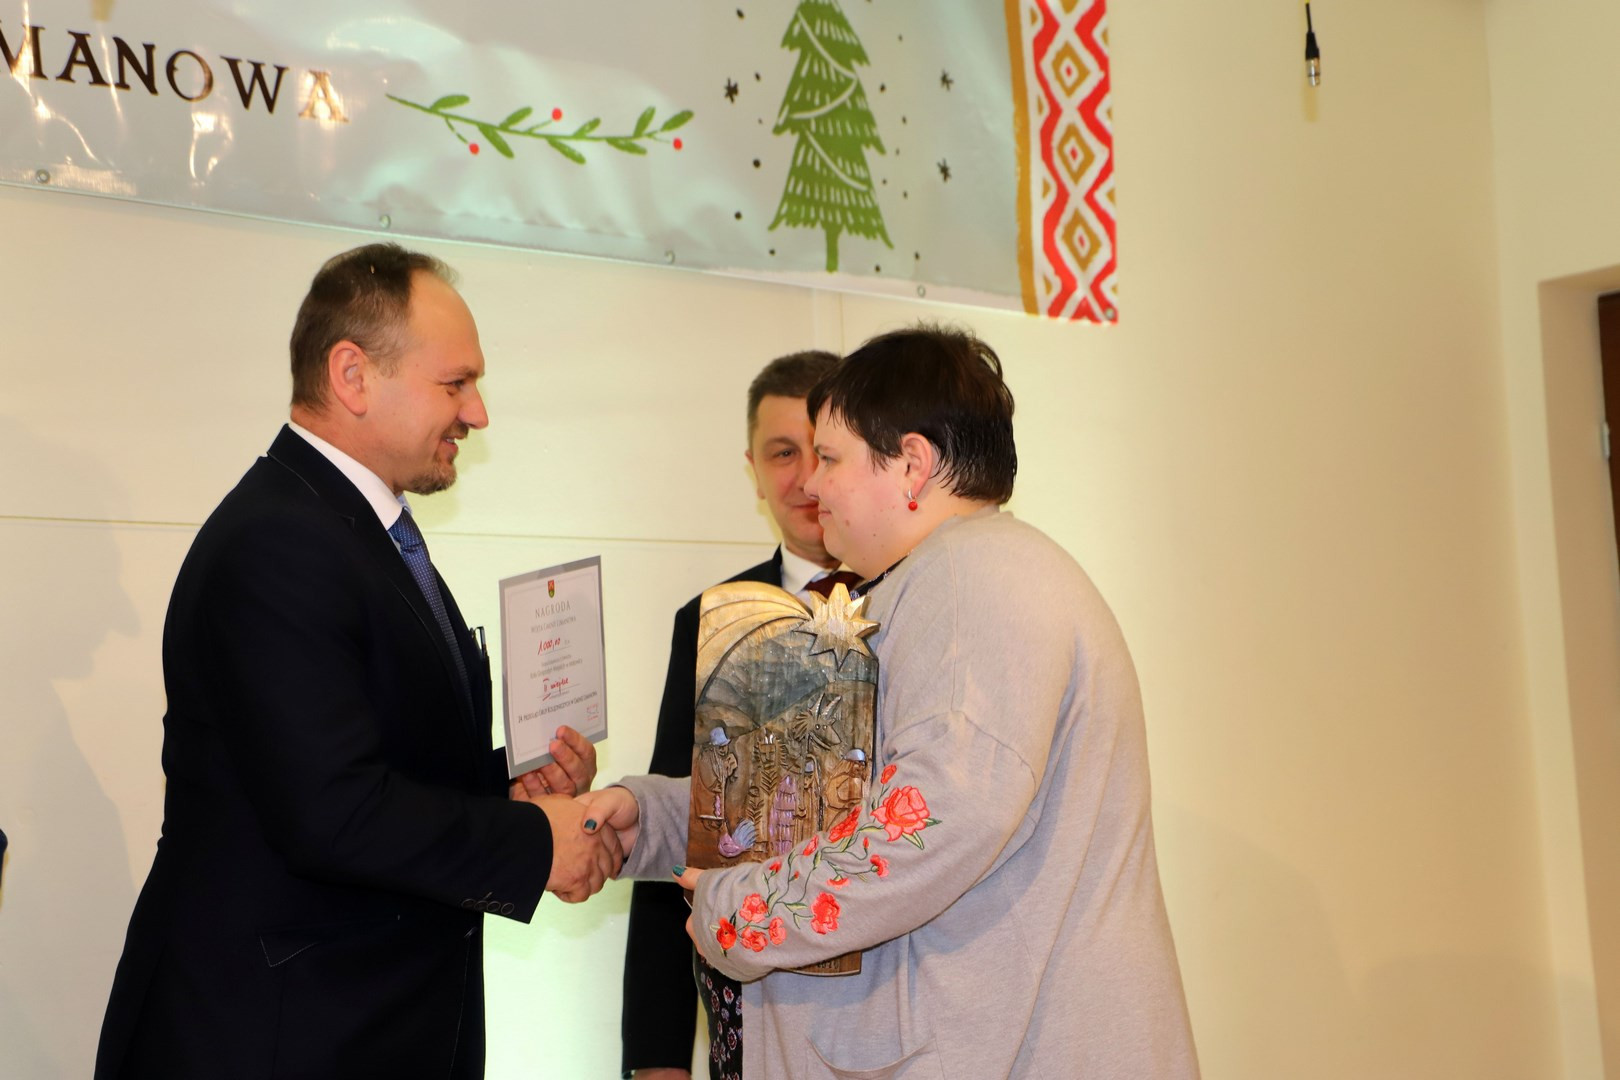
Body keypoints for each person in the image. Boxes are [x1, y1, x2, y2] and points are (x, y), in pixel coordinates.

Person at [585, 325, 1201, 1077]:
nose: (813, 486)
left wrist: (743, 915)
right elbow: (820, 794)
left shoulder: (973, 581)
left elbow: (936, 819)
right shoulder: (938, 580)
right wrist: (651, 821)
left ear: (912, 464)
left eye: (831, 458)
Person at [94, 243, 620, 1080]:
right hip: (277, 1040)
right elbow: (332, 811)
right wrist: (531, 844)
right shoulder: (278, 542)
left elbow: (378, 766)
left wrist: (510, 787)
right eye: (455, 383)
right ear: (352, 375)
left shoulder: (354, 530)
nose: (478, 413)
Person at [622, 350, 845, 1080]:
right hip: (744, 1023)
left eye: (824, 452)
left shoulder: (917, 604)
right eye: (783, 453)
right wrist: (657, 1057)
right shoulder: (710, 621)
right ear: (752, 469)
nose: (806, 479)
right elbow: (679, 836)